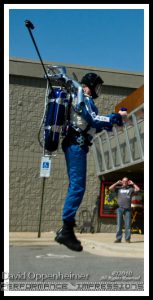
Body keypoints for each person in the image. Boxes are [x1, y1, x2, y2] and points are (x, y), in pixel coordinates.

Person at [55, 72, 126, 251]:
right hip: (76, 144)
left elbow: (92, 126)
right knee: (77, 186)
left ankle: (66, 229)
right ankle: (66, 230)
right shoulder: (82, 96)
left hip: (77, 144)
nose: (98, 90)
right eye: (97, 87)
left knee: (76, 186)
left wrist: (113, 122)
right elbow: (92, 119)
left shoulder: (84, 98)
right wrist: (113, 117)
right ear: (90, 85)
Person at [109, 177, 140, 243]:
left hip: (128, 209)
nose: (124, 182)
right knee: (119, 224)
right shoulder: (118, 188)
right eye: (123, 181)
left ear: (128, 182)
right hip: (119, 208)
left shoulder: (130, 189)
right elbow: (110, 188)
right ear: (122, 182)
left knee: (128, 225)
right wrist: (117, 183)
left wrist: (133, 183)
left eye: (126, 181)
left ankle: (127, 239)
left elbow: (138, 189)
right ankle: (118, 238)